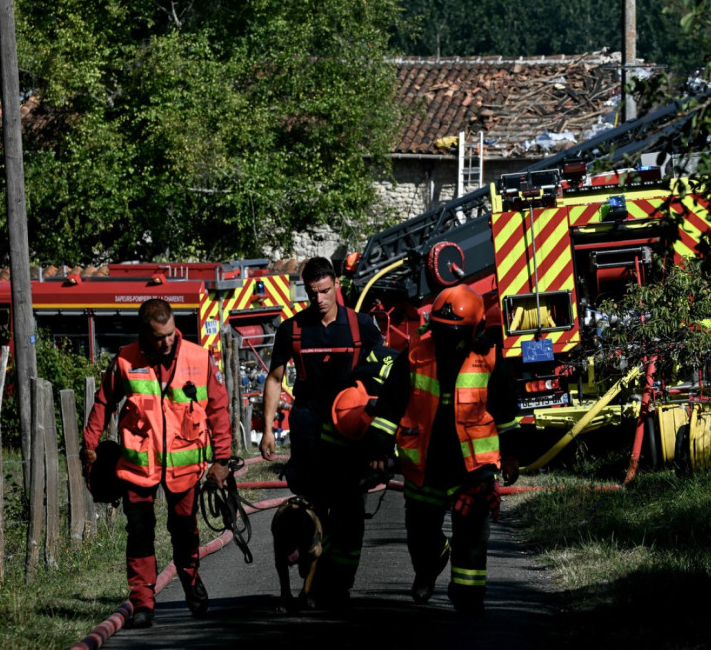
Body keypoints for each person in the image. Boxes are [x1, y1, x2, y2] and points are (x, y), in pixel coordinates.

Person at [367, 284, 519, 616]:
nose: (448, 339)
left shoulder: (490, 358)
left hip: (473, 468)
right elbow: (390, 407)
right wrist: (379, 449)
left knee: (472, 537)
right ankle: (430, 564)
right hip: (426, 464)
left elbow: (507, 413)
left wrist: (510, 455)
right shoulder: (414, 356)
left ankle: (468, 598)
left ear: (476, 329)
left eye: (456, 333)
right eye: (440, 329)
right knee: (421, 535)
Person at [81, 298, 232, 629]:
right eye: (159, 337)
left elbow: (219, 409)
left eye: (171, 334)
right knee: (139, 532)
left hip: (185, 464)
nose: (167, 342)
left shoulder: (199, 357)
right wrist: (90, 444)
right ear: (144, 333)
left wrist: (222, 459)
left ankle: (191, 580)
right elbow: (104, 402)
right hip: (139, 464)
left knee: (184, 529)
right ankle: (142, 602)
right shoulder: (125, 360)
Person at [259, 256, 383, 607]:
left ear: (336, 286)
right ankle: (313, 571)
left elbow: (386, 376)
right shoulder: (292, 329)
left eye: (325, 291)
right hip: (309, 431)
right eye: (312, 293)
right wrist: (268, 430)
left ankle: (340, 583)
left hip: (350, 433)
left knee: (349, 511)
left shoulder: (362, 327)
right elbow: (275, 379)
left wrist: (382, 436)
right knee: (313, 507)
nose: (319, 299)